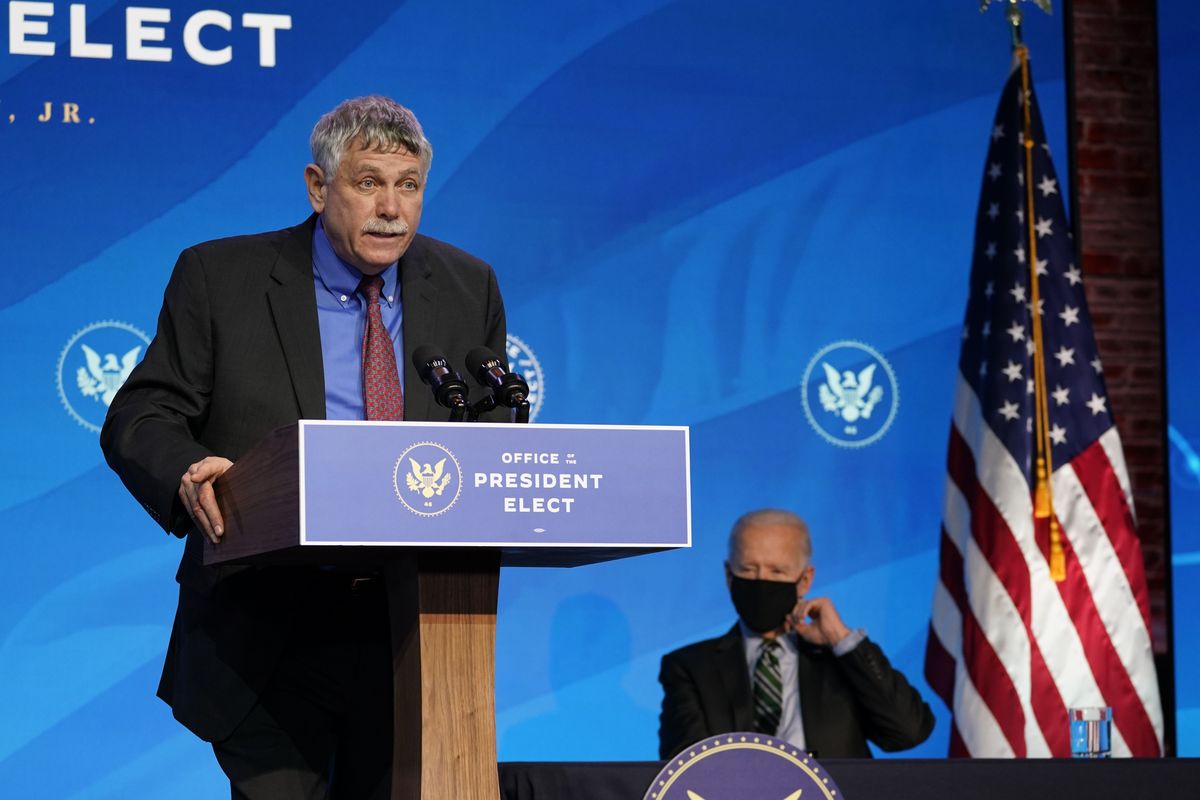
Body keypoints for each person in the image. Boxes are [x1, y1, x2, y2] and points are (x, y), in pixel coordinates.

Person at [100, 96, 507, 798]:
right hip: (267, 628)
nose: (391, 208)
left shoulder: (468, 285)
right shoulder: (221, 278)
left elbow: (491, 431)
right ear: (319, 187)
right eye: (367, 182)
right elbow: (143, 411)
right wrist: (188, 473)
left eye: (408, 186)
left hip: (420, 629)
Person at [658, 509, 934, 760]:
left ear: (805, 580)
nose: (760, 581)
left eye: (777, 571)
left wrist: (841, 639)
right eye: (748, 569)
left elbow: (908, 732)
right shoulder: (691, 667)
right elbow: (685, 765)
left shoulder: (840, 659)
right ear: (729, 575)